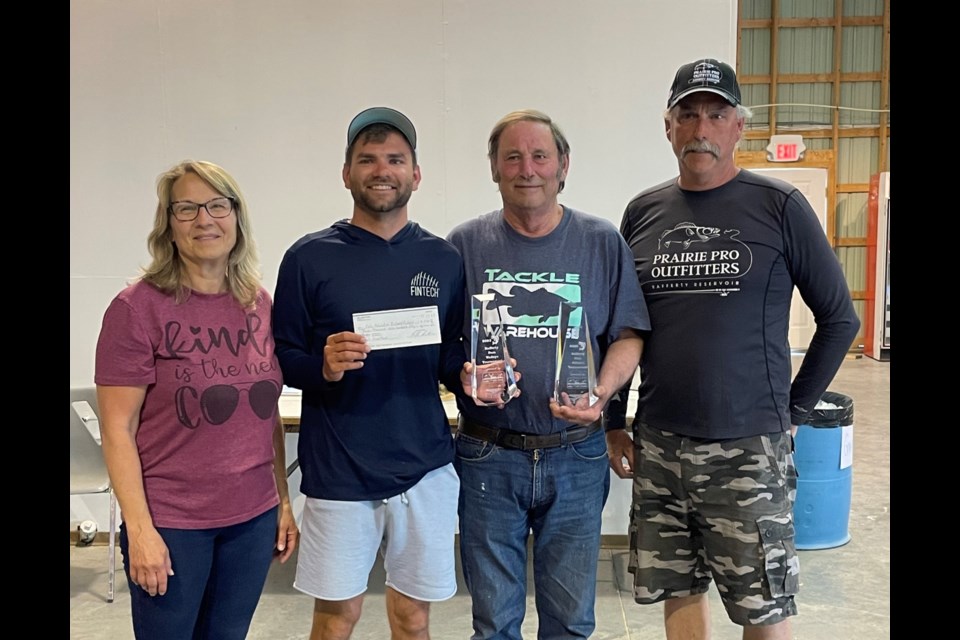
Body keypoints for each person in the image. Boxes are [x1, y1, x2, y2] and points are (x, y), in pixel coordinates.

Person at [609, 58, 862, 640]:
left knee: (765, 607)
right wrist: (613, 423)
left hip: (749, 447)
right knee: (678, 591)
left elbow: (840, 320)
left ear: (739, 127)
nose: (702, 127)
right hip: (661, 444)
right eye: (688, 114)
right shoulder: (644, 212)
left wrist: (790, 415)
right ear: (668, 126)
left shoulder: (779, 205)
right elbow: (624, 327)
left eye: (717, 114)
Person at [446, 109, 650, 640]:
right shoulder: (462, 245)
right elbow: (443, 346)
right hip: (489, 452)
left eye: (540, 155)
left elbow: (628, 335)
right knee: (492, 621)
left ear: (563, 165)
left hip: (578, 453)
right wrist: (460, 374)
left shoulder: (602, 241)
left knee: (570, 619)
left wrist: (602, 392)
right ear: (494, 168)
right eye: (512, 156)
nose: (527, 168)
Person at [272, 107, 466, 640]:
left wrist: (471, 374)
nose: (382, 170)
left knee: (413, 619)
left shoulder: (444, 259)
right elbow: (283, 357)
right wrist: (323, 367)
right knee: (337, 619)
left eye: (395, 159)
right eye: (368, 159)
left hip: (424, 467)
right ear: (346, 173)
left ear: (416, 174)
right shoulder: (308, 258)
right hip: (339, 470)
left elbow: (452, 355)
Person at [94, 160, 298, 640]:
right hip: (173, 522)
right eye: (186, 208)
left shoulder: (257, 302)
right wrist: (140, 531)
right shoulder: (137, 308)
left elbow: (263, 412)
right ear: (168, 224)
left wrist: (282, 501)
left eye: (216, 206)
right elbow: (117, 430)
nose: (204, 220)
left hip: (250, 518)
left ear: (236, 217)